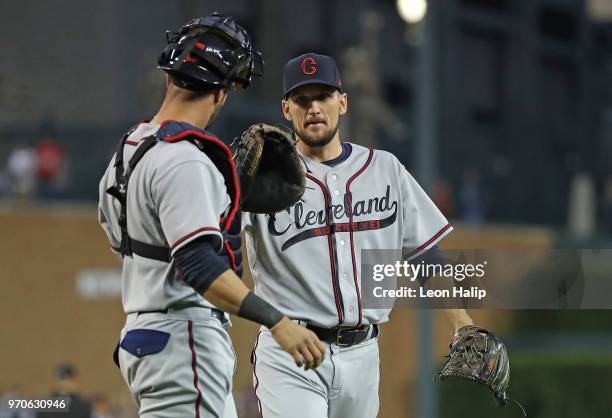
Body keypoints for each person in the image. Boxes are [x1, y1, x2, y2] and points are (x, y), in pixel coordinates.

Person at [97, 15, 324, 418]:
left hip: (149, 334)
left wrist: (215, 203)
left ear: (169, 78)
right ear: (221, 94)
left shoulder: (127, 150)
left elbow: (128, 244)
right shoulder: (186, 161)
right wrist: (278, 322)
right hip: (183, 338)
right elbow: (199, 267)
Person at [242, 53, 474, 418]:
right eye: (303, 100)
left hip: (364, 353)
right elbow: (212, 243)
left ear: (343, 102)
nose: (314, 108)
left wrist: (462, 322)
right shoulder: (260, 179)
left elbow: (426, 256)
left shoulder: (385, 169)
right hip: (291, 350)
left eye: (324, 96)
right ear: (287, 109)